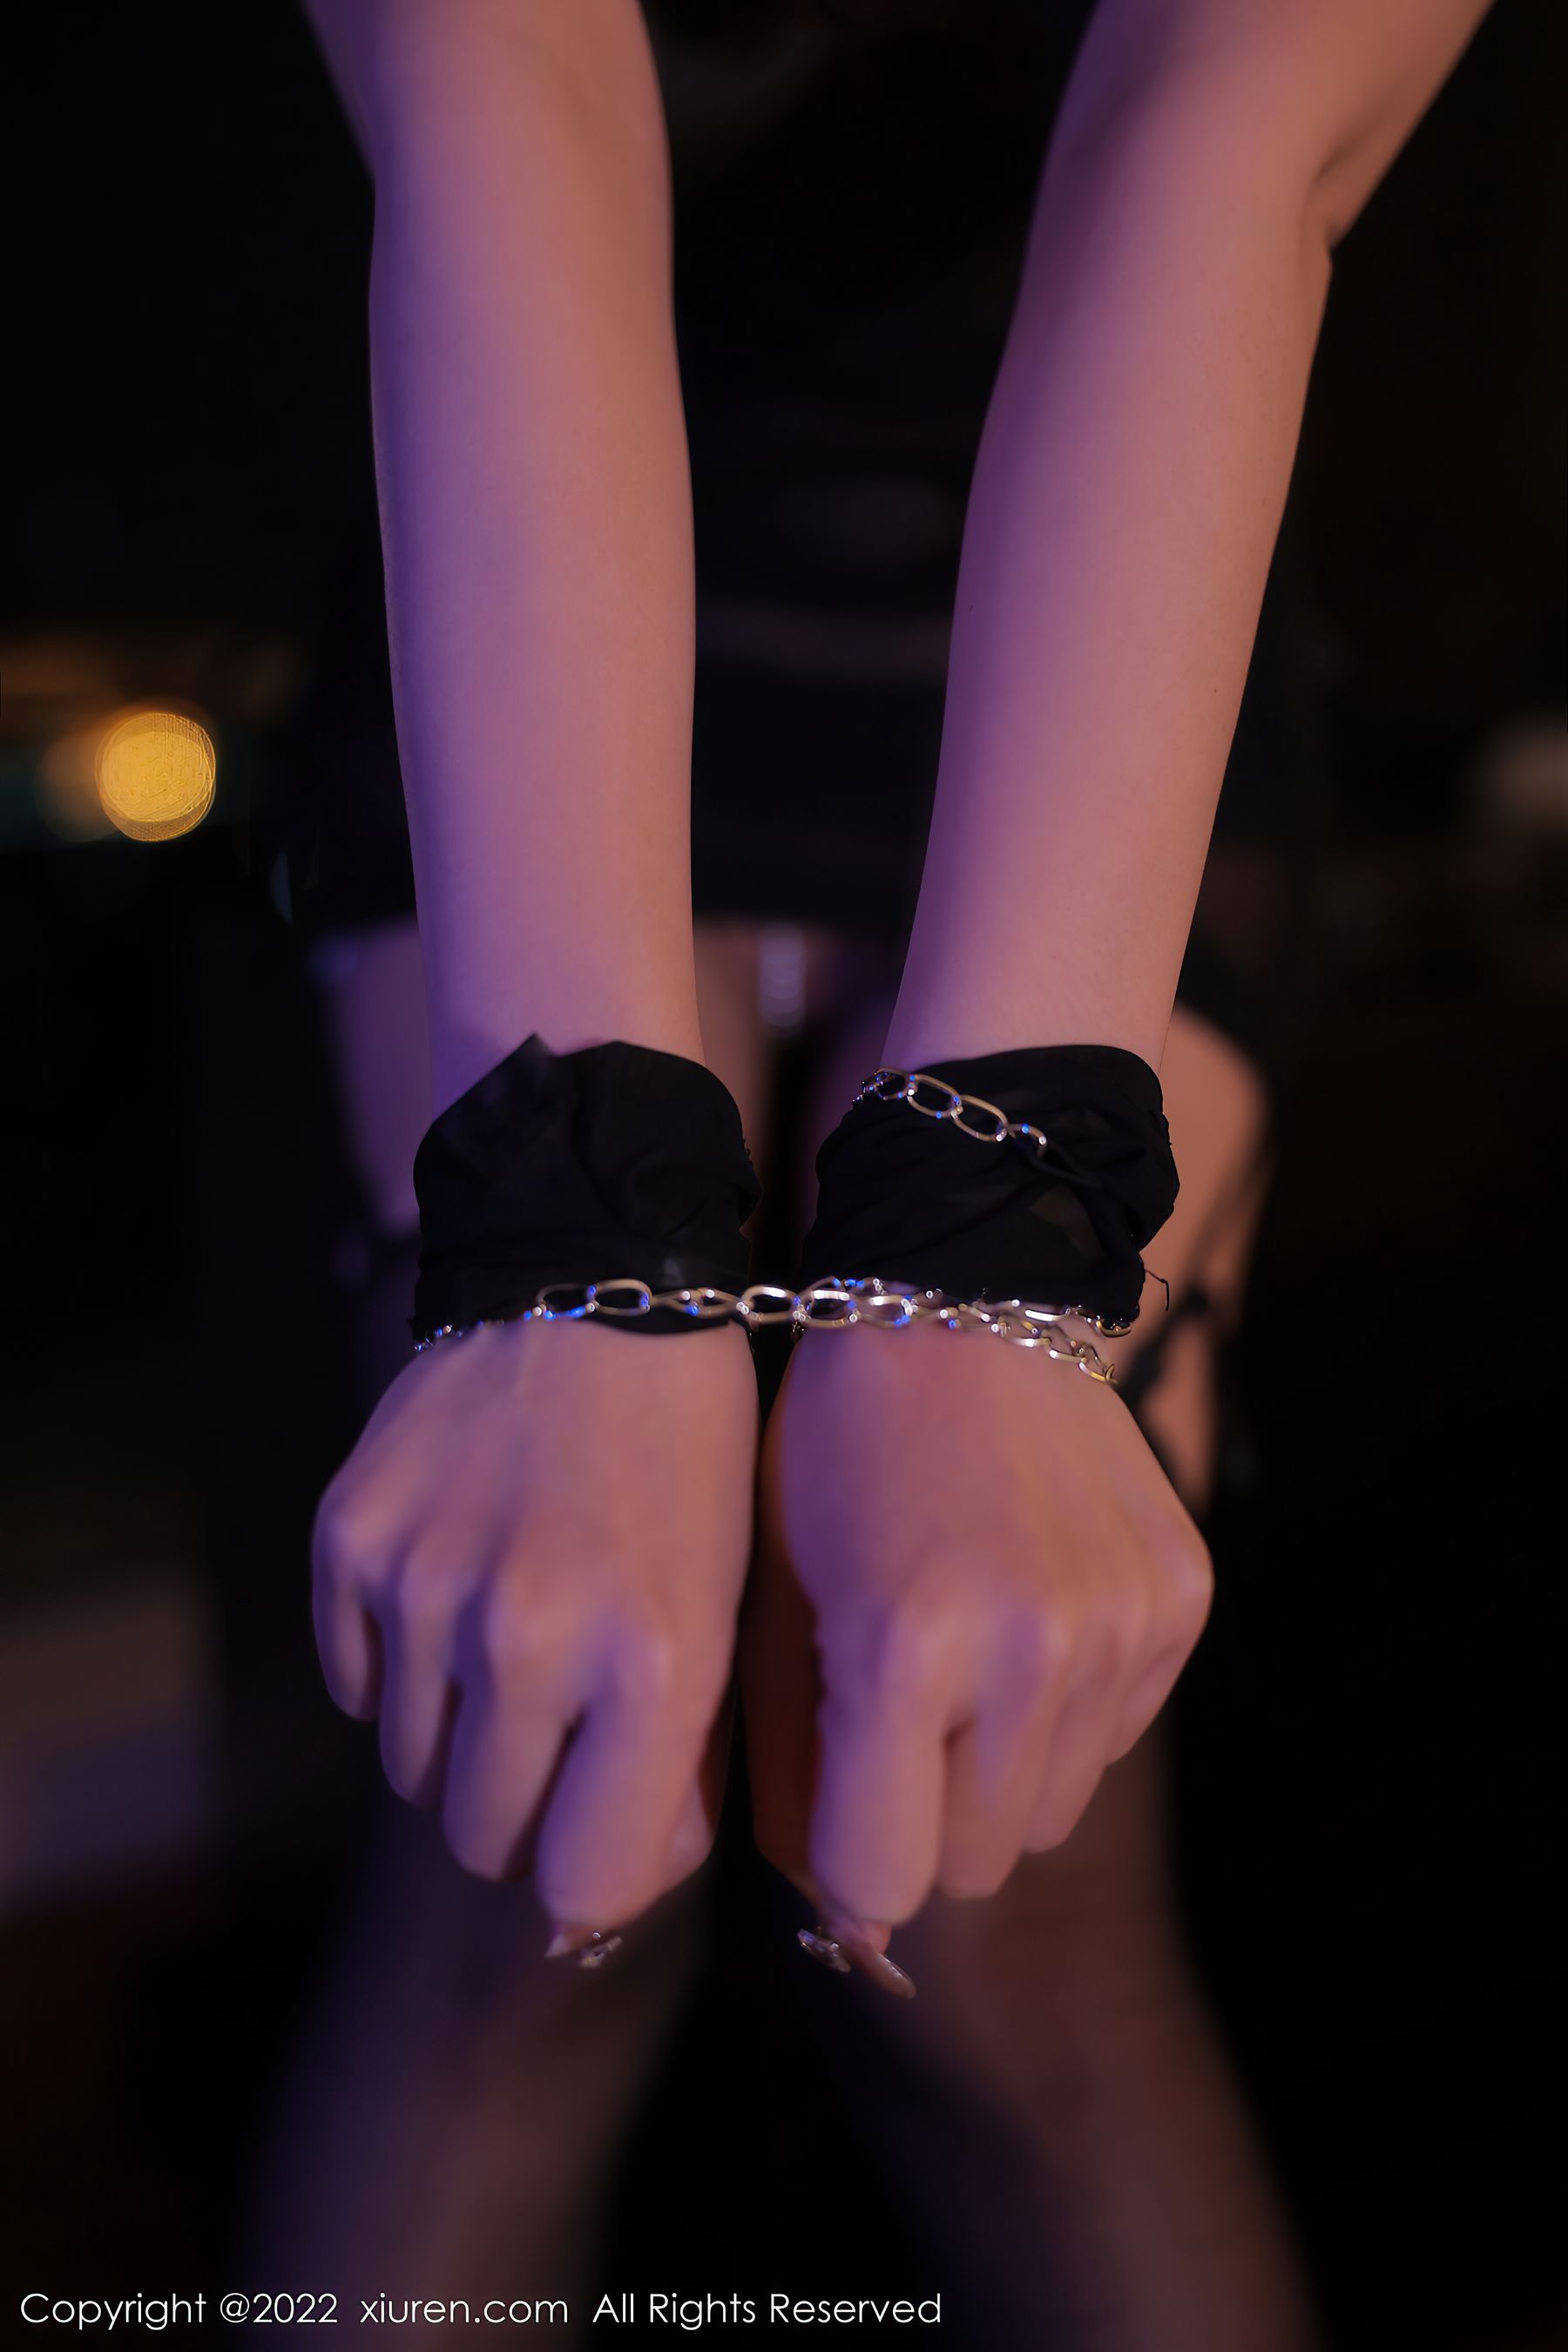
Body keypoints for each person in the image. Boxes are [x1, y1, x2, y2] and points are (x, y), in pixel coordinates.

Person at [269, 2, 1491, 2340]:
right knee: (528, 1855)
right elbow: (505, 84)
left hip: (1117, 602)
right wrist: (576, 1222)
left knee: (1007, 1913)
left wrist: (983, 1245)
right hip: (524, 563)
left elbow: (1219, 131)